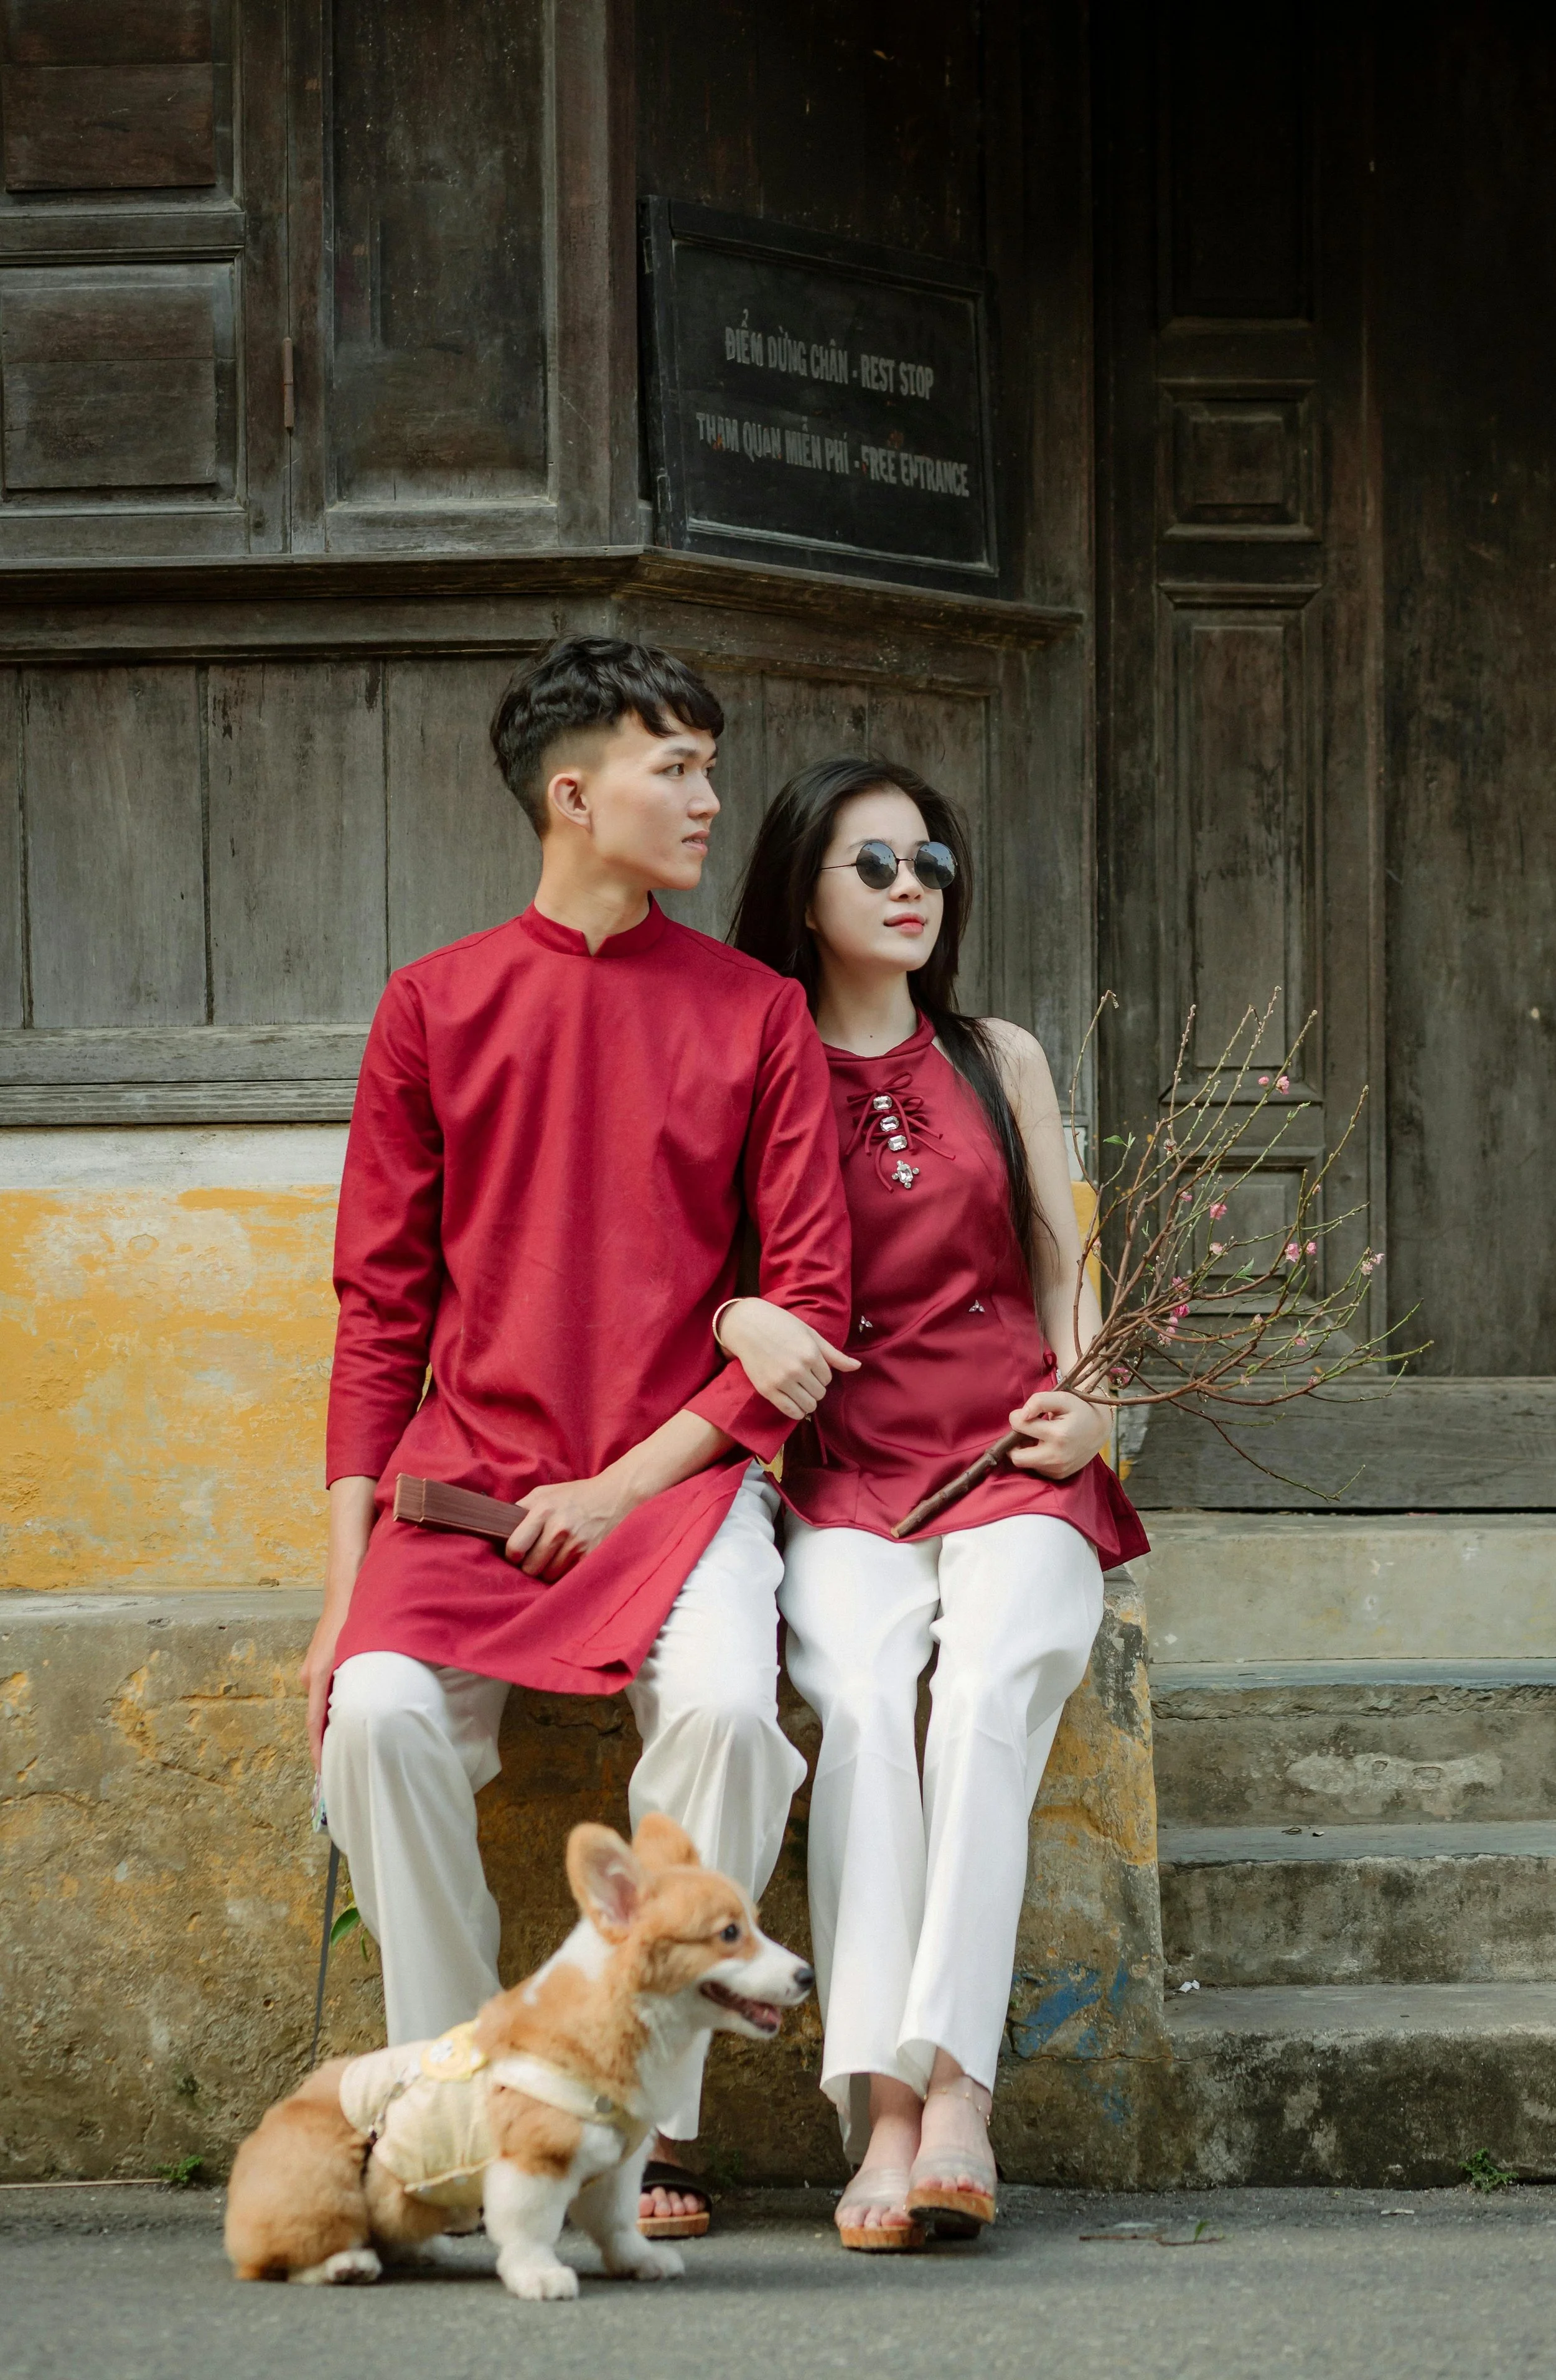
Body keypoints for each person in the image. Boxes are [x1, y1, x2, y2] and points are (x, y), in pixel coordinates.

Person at [302, 639, 855, 2236]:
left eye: (704, 764)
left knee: (734, 1722)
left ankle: (640, 2123)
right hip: (464, 1490)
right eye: (670, 766)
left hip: (673, 1488)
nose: (706, 798)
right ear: (572, 792)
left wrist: (620, 1486)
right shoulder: (433, 1006)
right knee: (375, 1718)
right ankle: (448, 2102)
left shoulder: (756, 1016)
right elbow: (377, 1311)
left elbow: (807, 1299)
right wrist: (340, 1596)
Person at [719, 755, 1149, 2251]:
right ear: (802, 891)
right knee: (853, 1697)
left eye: (931, 865)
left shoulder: (996, 1055)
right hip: (847, 1476)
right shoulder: (751, 1073)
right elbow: (696, 1279)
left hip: (1018, 1460)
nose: (913, 889)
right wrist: (727, 1321)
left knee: (980, 1692)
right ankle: (879, 2108)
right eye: (875, 864)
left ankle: (950, 2092)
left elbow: (1063, 1267)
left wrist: (1093, 1397)